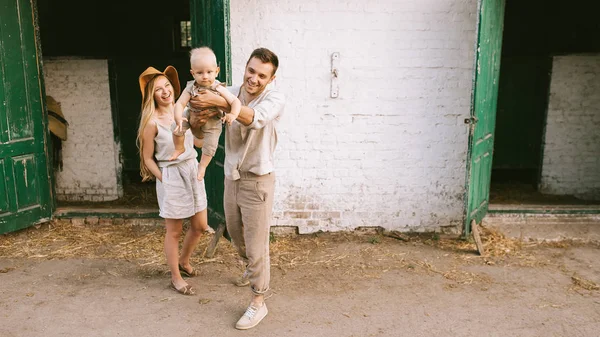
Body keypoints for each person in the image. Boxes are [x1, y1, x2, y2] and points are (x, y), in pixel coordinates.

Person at [190, 48, 285, 330]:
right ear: (245, 67)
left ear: (272, 78)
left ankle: (258, 300)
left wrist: (220, 102)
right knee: (235, 232)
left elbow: (253, 117)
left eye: (262, 75)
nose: (254, 78)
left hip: (258, 180)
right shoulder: (227, 91)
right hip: (231, 176)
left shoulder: (275, 98)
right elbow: (199, 132)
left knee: (257, 244)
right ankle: (252, 267)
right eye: (251, 70)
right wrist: (195, 118)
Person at [136, 65, 212, 296]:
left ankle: (183, 261)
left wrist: (201, 127)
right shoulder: (151, 122)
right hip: (170, 173)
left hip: (191, 169)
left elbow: (197, 144)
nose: (165, 91)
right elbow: (147, 158)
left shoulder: (187, 111)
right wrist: (163, 179)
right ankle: (175, 277)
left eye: (167, 85)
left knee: (199, 226)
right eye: (158, 89)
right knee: (174, 231)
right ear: (152, 95)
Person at [171, 47, 242, 183]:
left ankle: (202, 166)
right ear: (192, 73)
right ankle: (179, 148)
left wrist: (232, 114)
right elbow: (179, 104)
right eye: (200, 72)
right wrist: (179, 118)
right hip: (191, 116)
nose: (205, 76)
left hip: (213, 123)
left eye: (209, 72)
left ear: (217, 71)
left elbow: (235, 101)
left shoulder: (218, 87)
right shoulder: (191, 87)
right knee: (176, 126)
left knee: (210, 145)